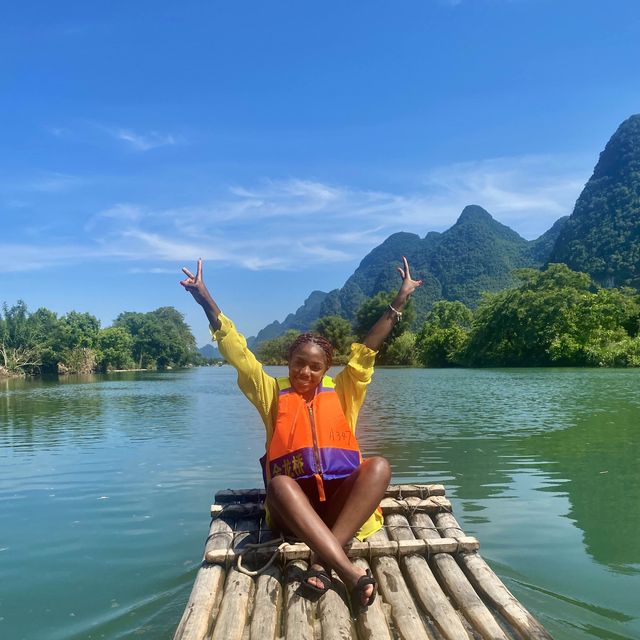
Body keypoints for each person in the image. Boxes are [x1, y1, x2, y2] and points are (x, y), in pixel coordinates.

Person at [180, 257, 422, 614]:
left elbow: (368, 350)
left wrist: (399, 300)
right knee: (278, 484)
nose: (305, 372)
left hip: (341, 509)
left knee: (380, 467)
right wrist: (204, 298)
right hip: (292, 513)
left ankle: (323, 564)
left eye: (315, 366)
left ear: (326, 369)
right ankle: (350, 574)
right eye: (298, 363)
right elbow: (239, 354)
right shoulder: (270, 393)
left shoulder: (344, 391)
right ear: (287, 360)